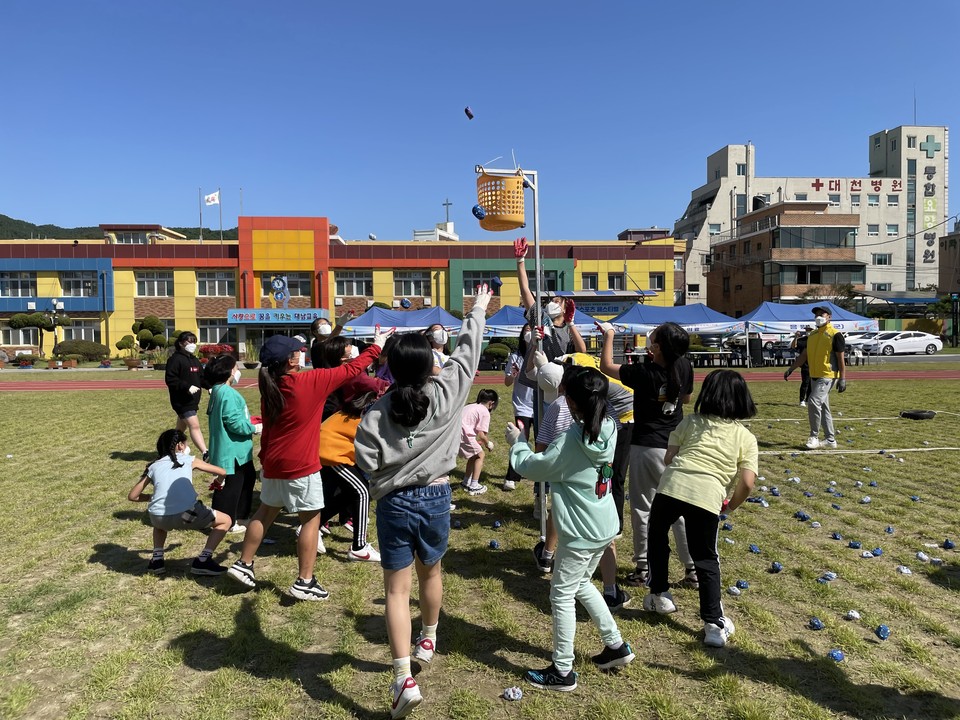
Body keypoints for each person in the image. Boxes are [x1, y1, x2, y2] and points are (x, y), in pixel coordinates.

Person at [354, 284, 492, 720]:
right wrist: (478, 310)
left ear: (391, 367)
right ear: (433, 361)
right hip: (437, 496)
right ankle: (428, 638)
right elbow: (469, 352)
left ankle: (402, 678)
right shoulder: (447, 392)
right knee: (431, 570)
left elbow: (365, 461)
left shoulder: (376, 411)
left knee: (397, 590)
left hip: (394, 502)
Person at [226, 329, 390, 601]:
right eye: (297, 352)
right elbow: (353, 369)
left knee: (264, 514)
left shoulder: (271, 385)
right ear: (290, 361)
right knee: (311, 521)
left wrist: (264, 458)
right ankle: (305, 580)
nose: (302, 354)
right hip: (300, 464)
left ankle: (244, 564)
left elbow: (268, 430)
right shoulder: (309, 382)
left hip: (274, 461)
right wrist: (377, 346)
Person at [507, 367, 635, 692]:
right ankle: (615, 645)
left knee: (561, 594)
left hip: (581, 531)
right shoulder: (610, 425)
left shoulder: (571, 443)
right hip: (604, 524)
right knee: (579, 584)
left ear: (571, 402)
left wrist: (518, 443)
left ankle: (562, 670)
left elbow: (532, 467)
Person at [643, 370, 758, 648]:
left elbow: (669, 457)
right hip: (707, 497)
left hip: (670, 489)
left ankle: (660, 595)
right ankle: (713, 623)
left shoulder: (689, 422)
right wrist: (730, 506)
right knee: (705, 559)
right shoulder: (745, 438)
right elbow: (746, 483)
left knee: (657, 540)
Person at [599, 322, 697, 589]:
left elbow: (606, 367)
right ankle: (692, 569)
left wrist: (608, 335)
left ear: (658, 346)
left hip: (646, 445)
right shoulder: (684, 365)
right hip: (675, 444)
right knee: (679, 509)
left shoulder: (645, 371)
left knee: (643, 508)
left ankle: (643, 567)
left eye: (653, 337)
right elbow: (686, 398)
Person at [127, 429, 231, 576]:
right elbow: (222, 471)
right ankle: (203, 560)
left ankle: (157, 560)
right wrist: (218, 482)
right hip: (186, 515)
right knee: (226, 521)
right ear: (181, 445)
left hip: (158, 518)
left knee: (159, 524)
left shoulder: (153, 466)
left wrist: (152, 497)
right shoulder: (189, 459)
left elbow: (133, 496)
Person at [317, 388, 383, 562]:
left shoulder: (350, 412)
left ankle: (310, 526)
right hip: (332, 453)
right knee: (362, 492)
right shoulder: (367, 416)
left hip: (331, 451)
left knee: (351, 493)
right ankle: (359, 547)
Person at [204, 354, 262, 534]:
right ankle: (226, 519)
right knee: (231, 486)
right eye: (235, 368)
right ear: (229, 371)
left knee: (247, 478)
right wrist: (255, 427)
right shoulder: (227, 393)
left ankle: (241, 516)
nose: (237, 371)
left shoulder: (217, 390)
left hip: (233, 448)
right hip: (232, 448)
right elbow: (234, 423)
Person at [514, 237, 586, 362]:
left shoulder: (568, 330)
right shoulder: (542, 319)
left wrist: (570, 323)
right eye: (551, 301)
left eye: (557, 301)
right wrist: (520, 260)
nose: (552, 303)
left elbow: (582, 350)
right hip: (540, 374)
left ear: (565, 309)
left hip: (562, 375)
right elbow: (525, 290)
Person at [784, 306, 846, 449]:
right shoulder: (812, 335)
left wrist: (842, 378)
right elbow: (804, 355)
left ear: (829, 316)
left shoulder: (835, 334)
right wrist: (791, 369)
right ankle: (830, 440)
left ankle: (814, 436)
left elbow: (841, 358)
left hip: (828, 375)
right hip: (814, 375)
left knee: (812, 402)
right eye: (816, 315)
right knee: (824, 407)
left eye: (821, 314)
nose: (818, 317)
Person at [164, 332, 210, 460]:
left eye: (194, 341)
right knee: (194, 425)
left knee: (179, 430)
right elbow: (171, 379)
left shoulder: (194, 360)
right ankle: (205, 452)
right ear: (180, 343)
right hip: (181, 400)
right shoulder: (175, 360)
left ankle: (169, 448)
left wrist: (210, 387)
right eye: (189, 341)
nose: (192, 344)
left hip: (193, 401)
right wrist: (186, 387)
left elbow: (201, 378)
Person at [502, 324, 536, 491]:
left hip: (540, 405)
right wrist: (512, 375)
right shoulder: (516, 356)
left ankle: (539, 475)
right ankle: (511, 477)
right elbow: (507, 383)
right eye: (526, 330)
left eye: (532, 330)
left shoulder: (542, 353)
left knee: (542, 441)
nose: (529, 333)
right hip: (522, 405)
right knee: (521, 438)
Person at [459, 389, 499, 496]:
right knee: (480, 455)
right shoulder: (485, 411)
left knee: (474, 455)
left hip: (455, 432)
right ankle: (474, 486)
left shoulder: (471, 405)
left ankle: (466, 481)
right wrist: (488, 444)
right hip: (464, 434)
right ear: (491, 403)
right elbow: (482, 435)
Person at [790, 328, 812, 406]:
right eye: (807, 330)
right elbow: (794, 346)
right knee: (805, 382)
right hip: (805, 364)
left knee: (811, 383)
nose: (808, 332)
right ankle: (801, 400)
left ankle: (808, 399)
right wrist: (796, 337)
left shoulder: (816, 339)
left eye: (810, 330)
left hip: (814, 364)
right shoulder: (802, 340)